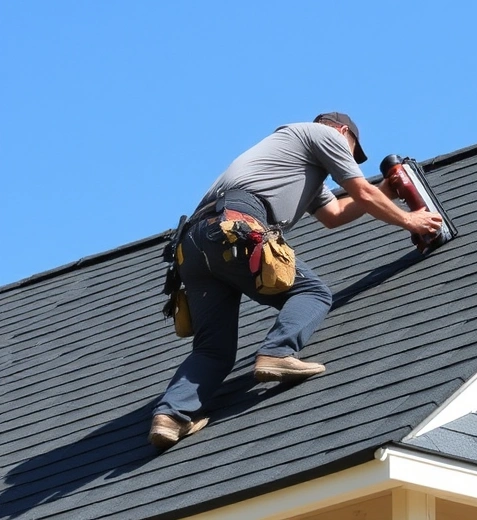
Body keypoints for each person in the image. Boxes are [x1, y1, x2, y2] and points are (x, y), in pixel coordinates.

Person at [149, 112, 442, 449]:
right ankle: (277, 352)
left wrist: (385, 190)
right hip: (236, 226)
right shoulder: (323, 135)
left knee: (214, 349)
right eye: (351, 150)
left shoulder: (299, 167)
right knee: (313, 293)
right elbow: (360, 192)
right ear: (342, 132)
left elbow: (334, 216)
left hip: (195, 246)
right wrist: (411, 221)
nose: (348, 159)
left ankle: (170, 416)